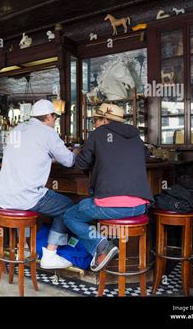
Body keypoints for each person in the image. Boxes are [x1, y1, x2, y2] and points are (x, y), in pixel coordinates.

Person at [63, 103, 153, 272]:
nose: (94, 124)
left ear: (105, 120)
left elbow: (81, 163)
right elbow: (146, 156)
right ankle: (107, 254)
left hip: (111, 206)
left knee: (69, 216)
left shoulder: (98, 134)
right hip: (141, 206)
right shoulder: (135, 135)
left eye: (95, 120)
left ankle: (102, 245)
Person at [0, 100, 79, 269]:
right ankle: (50, 254)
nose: (55, 120)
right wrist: (76, 151)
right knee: (67, 206)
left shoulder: (17, 129)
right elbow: (69, 161)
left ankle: (23, 247)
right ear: (48, 116)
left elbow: (28, 154)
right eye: (54, 117)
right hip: (26, 196)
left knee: (27, 205)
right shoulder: (48, 133)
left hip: (4, 196)